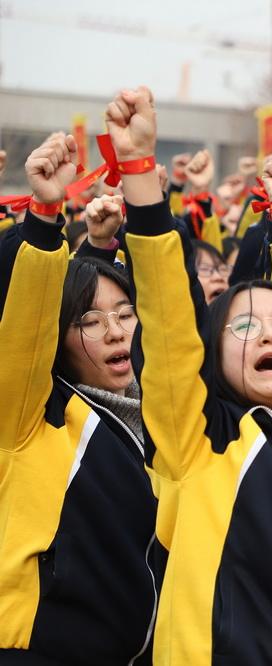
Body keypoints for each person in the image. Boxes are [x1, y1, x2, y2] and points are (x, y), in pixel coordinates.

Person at [110, 86, 272, 663]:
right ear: (213, 360)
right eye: (244, 330)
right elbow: (171, 327)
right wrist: (140, 178)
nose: (271, 335)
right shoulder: (197, 446)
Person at [0, 133, 157, 663]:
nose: (116, 333)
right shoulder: (29, 417)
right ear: (56, 339)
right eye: (90, 322)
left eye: (125, 314)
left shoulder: (170, 421)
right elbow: (26, 328)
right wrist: (45, 216)